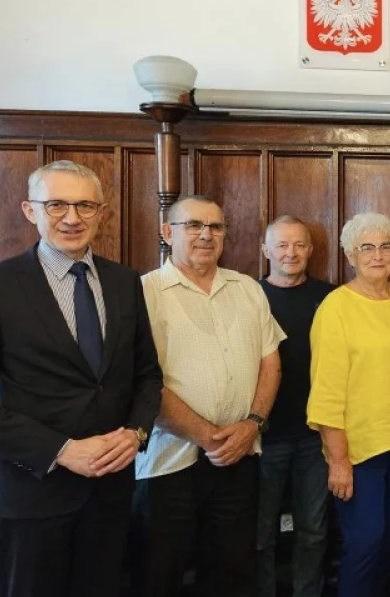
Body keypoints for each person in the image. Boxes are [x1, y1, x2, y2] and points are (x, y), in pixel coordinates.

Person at [0, 160, 162, 597]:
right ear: (30, 210)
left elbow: (147, 375)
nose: (72, 217)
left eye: (85, 205)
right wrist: (61, 450)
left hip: (109, 497)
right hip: (29, 499)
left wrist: (136, 432)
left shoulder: (125, 283)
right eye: (56, 205)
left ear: (102, 213)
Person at [132, 194, 286, 597]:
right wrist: (209, 436)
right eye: (193, 225)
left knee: (232, 576)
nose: (206, 234)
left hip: (239, 458)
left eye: (216, 226)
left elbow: (270, 363)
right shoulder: (143, 292)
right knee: (158, 576)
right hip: (167, 463)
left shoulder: (247, 288)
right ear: (167, 233)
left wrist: (252, 425)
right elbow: (142, 380)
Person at [308, 212, 390, 597]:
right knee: (365, 541)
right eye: (367, 247)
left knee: (389, 539)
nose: (378, 255)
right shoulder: (336, 307)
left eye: (385, 246)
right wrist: (338, 460)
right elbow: (326, 390)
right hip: (358, 449)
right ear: (350, 255)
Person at [256, 215, 337, 597]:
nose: (291, 253)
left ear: (311, 250)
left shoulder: (332, 299)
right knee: (260, 534)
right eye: (282, 245)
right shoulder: (249, 296)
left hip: (316, 436)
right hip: (262, 437)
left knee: (314, 532)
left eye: (299, 245)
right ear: (266, 250)